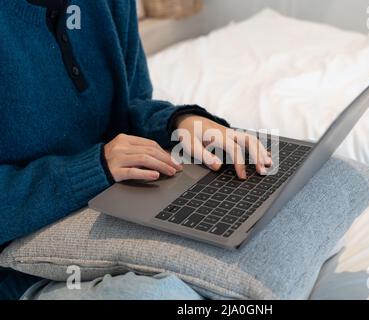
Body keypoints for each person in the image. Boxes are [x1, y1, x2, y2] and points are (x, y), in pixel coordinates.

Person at [0, 0, 271, 299]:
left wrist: (179, 122)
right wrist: (93, 168)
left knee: (268, 218)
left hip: (119, 206)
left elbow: (133, 104)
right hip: (21, 270)